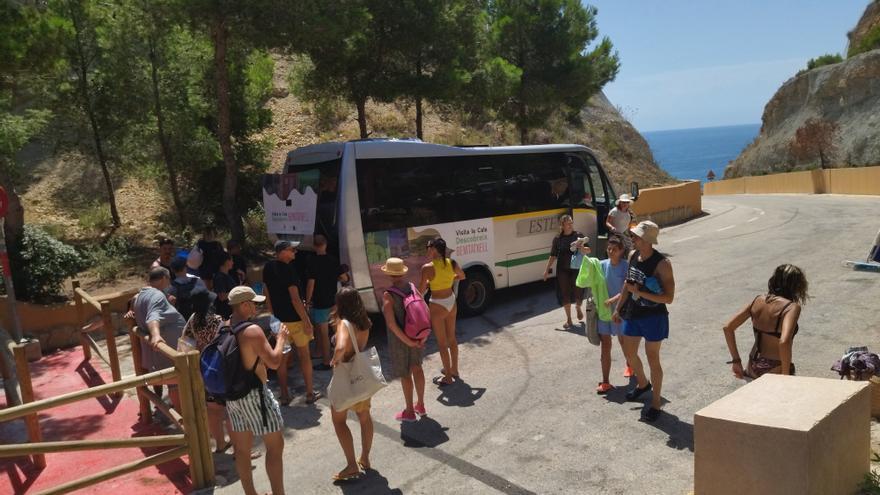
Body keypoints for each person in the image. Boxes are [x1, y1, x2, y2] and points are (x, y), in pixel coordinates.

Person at [226, 286, 288, 495]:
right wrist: (280, 339)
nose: (256, 306)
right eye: (253, 303)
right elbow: (274, 362)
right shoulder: (252, 331)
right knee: (274, 446)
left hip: (233, 397)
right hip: (255, 395)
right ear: (244, 305)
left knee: (242, 451)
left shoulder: (225, 326)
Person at [612, 221, 674, 423]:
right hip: (633, 313)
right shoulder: (632, 256)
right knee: (629, 354)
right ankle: (642, 384)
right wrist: (619, 307)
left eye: (636, 236)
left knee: (652, 358)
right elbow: (627, 284)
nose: (632, 239)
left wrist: (639, 292)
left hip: (654, 317)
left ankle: (656, 403)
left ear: (647, 240)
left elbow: (669, 298)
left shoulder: (662, 264)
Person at [722, 264, 808, 379]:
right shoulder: (791, 307)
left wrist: (736, 361)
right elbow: (784, 342)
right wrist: (786, 376)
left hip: (752, 365)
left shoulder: (758, 300)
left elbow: (728, 328)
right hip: (775, 367)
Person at [263, 240, 319, 405]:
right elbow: (295, 299)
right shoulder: (289, 270)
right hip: (295, 321)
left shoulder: (268, 267)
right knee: (304, 356)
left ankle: (285, 395)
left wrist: (272, 314)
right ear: (282, 252)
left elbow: (266, 291)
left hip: (279, 322)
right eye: (292, 250)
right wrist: (307, 320)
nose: (295, 252)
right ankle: (310, 393)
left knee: (282, 359)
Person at [329, 287, 375, 482]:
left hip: (346, 376)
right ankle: (365, 457)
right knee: (364, 417)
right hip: (361, 377)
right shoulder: (364, 323)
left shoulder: (343, 323)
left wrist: (334, 360)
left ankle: (351, 464)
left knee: (339, 421)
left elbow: (340, 347)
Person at [576, 234, 631, 393]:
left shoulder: (625, 266)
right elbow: (586, 268)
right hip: (603, 311)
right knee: (605, 346)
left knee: (623, 341)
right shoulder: (601, 265)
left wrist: (613, 300)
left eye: (614, 249)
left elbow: (628, 289)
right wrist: (583, 253)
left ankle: (630, 365)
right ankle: (605, 382)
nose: (610, 251)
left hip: (619, 311)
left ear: (621, 251)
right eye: (608, 248)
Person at [181, 286, 230, 453]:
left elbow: (184, 339)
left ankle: (220, 444)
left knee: (213, 409)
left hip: (204, 367)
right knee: (231, 410)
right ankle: (241, 449)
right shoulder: (217, 320)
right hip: (221, 366)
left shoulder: (193, 319)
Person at [130, 267, 184, 411]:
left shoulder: (142, 295)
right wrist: (156, 335)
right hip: (167, 351)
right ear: (164, 279)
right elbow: (153, 316)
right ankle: (183, 416)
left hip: (162, 352)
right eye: (169, 279)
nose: (170, 283)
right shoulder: (157, 295)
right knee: (176, 383)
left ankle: (181, 413)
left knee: (174, 384)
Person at [381, 257, 427, 422]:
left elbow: (392, 325)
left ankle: (409, 411)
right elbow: (424, 311)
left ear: (389, 274)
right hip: (417, 335)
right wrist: (422, 337)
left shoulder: (388, 295)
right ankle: (420, 405)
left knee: (405, 374)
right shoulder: (413, 287)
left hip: (399, 341)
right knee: (417, 368)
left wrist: (407, 341)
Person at [419, 238, 465, 387]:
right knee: (452, 338)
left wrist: (428, 284)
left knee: (442, 343)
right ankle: (454, 370)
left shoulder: (427, 268)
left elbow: (420, 292)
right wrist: (449, 279)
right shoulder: (451, 263)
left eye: (428, 247)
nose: (427, 250)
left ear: (433, 249)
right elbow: (462, 276)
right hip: (451, 301)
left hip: (437, 304)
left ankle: (448, 378)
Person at [305, 234, 341, 371]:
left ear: (314, 246)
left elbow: (311, 284)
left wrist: (307, 301)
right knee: (338, 331)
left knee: (324, 335)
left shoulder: (312, 262)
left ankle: (327, 362)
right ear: (326, 244)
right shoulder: (333, 259)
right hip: (334, 301)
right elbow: (342, 276)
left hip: (320, 302)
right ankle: (341, 357)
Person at [543, 214, 585, 329]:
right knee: (564, 293)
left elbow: (588, 250)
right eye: (568, 223)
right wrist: (546, 270)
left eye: (571, 222)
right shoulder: (558, 239)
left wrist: (581, 247)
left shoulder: (578, 236)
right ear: (562, 226)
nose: (571, 225)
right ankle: (569, 319)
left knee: (578, 291)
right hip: (562, 269)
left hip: (576, 268)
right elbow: (553, 255)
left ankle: (578, 307)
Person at [212, 253, 237, 320]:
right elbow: (222, 297)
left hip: (232, 311)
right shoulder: (219, 278)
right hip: (225, 314)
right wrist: (237, 291)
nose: (233, 262)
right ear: (226, 262)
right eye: (231, 260)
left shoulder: (227, 275)